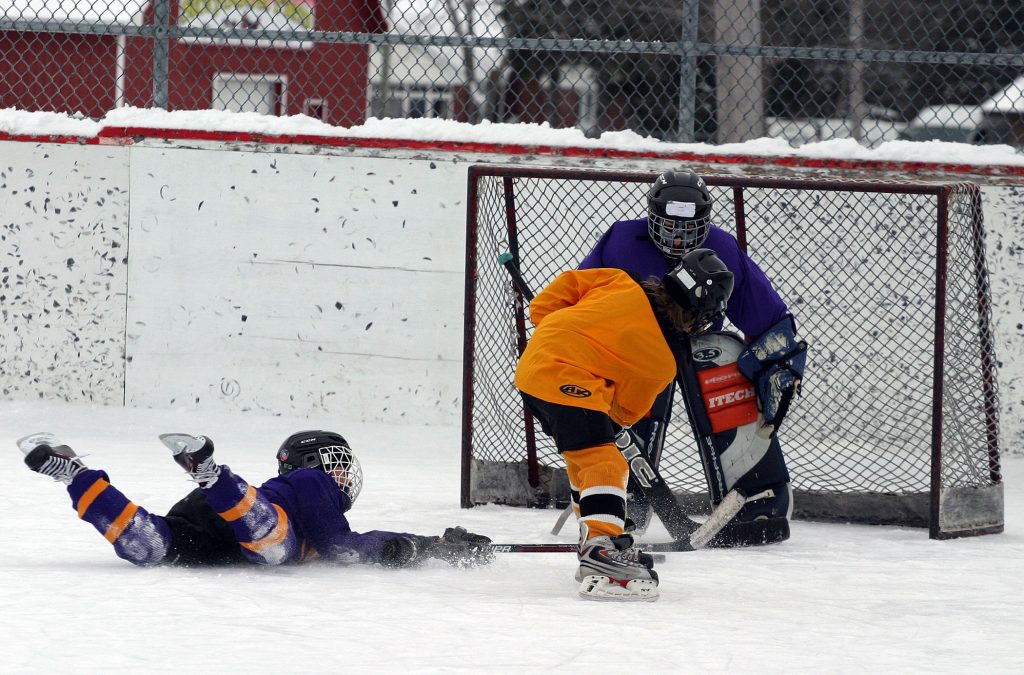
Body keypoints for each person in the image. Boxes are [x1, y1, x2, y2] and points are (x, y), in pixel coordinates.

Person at [578, 169, 806, 546]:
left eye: (689, 226)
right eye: (669, 225)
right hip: (633, 349)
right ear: (650, 215)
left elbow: (765, 316)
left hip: (699, 348)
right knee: (634, 400)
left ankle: (758, 490)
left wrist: (773, 363)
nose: (679, 237)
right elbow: (581, 294)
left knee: (723, 365)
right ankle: (621, 495)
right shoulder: (620, 239)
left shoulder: (723, 247)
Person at [514, 248, 735, 601]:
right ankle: (602, 547)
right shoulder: (663, 360)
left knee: (584, 457)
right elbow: (624, 414)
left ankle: (595, 531)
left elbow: (551, 298)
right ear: (701, 314)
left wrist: (558, 331)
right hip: (565, 381)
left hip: (532, 368)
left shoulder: (620, 279)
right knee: (606, 461)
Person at [19, 429, 493, 569]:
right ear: (317, 463)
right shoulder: (312, 483)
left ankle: (75, 476)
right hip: (245, 514)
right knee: (275, 545)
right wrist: (412, 548)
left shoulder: (302, 485)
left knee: (150, 546)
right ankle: (211, 473)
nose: (343, 474)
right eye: (338, 463)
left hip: (212, 524)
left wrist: (432, 540)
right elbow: (343, 546)